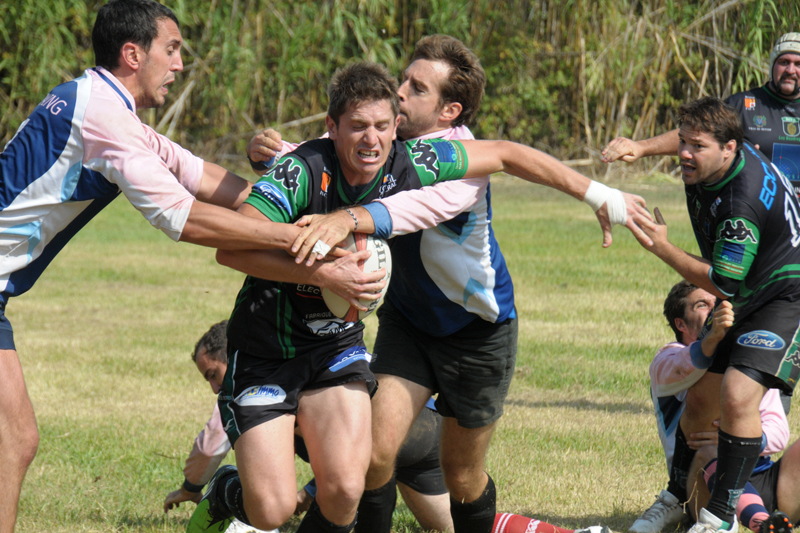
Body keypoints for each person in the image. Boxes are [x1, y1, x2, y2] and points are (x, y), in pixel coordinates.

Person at [188, 58, 653, 533]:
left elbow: (505, 154)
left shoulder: (417, 162)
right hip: (271, 346)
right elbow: (232, 246)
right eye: (358, 126)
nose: (372, 138)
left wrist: (600, 195)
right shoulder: (303, 169)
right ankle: (229, 490)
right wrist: (324, 271)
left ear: (397, 128)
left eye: (383, 126)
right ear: (332, 126)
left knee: (352, 488)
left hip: (361, 343)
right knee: (275, 509)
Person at [0, 1, 387, 531]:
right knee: (13, 439)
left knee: (14, 439)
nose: (180, 63)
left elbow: (199, 175)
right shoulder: (105, 118)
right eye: (172, 49)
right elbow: (184, 218)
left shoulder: (99, 104)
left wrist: (285, 195)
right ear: (133, 54)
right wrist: (300, 238)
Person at [176, 322, 612, 533]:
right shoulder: (309, 353)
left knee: (295, 504)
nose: (214, 386)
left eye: (213, 374)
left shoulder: (255, 382)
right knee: (453, 525)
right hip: (421, 430)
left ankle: (227, 491)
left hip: (391, 436)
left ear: (233, 357)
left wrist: (195, 485)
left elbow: (214, 442)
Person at [632, 96, 800, 533]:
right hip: (751, 286)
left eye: (697, 147)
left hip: (784, 296)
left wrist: (661, 247)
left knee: (738, 395)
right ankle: (676, 495)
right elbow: (690, 137)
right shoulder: (722, 155)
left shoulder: (739, 204)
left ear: (729, 148)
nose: (685, 154)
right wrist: (642, 147)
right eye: (683, 143)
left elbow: (722, 283)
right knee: (701, 396)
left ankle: (719, 518)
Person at [633, 280, 790, 533]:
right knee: (712, 449)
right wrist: (712, 337)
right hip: (702, 482)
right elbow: (683, 368)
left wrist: (737, 440)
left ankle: (773, 518)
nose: (716, 308)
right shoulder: (668, 357)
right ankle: (762, 523)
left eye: (718, 302)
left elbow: (780, 432)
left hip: (761, 477)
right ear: (681, 324)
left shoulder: (749, 365)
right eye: (702, 305)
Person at [601, 33, 800, 196]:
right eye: (784, 62)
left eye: (798, 64)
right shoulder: (744, 105)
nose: (790, 70)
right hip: (760, 212)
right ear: (772, 65)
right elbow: (696, 134)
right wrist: (641, 147)